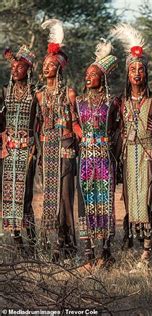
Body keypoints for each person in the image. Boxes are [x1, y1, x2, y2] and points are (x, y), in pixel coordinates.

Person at [111, 23, 152, 266]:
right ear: (128, 75)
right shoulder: (121, 102)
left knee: (147, 198)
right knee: (132, 200)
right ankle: (141, 245)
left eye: (141, 69)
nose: (137, 73)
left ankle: (149, 250)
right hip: (128, 155)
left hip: (147, 155)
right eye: (133, 70)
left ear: (146, 73)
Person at [37, 19, 82, 261]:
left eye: (51, 64)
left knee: (65, 199)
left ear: (59, 68)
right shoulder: (40, 95)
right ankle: (53, 244)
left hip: (65, 149)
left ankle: (67, 245)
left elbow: (76, 123)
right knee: (49, 199)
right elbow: (37, 125)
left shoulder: (69, 93)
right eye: (44, 64)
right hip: (48, 149)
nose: (46, 68)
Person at [76, 39, 120, 268]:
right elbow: (73, 123)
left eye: (93, 74)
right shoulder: (79, 101)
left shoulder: (112, 101)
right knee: (85, 202)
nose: (88, 77)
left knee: (104, 203)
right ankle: (88, 254)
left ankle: (105, 252)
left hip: (104, 157)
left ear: (102, 78)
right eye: (86, 74)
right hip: (84, 158)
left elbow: (119, 127)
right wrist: (81, 134)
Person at [0, 45, 37, 256]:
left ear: (28, 70)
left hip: (28, 151)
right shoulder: (5, 91)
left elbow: (40, 122)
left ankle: (31, 242)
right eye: (12, 67)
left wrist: (36, 151)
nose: (14, 70)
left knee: (26, 196)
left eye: (19, 67)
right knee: (9, 197)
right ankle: (17, 242)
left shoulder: (35, 93)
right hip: (9, 151)